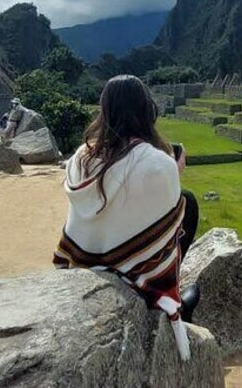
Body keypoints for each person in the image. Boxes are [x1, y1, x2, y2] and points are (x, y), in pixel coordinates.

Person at [53, 75, 199, 360]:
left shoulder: (81, 156)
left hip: (79, 261)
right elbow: (162, 223)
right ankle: (171, 297)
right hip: (131, 275)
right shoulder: (158, 163)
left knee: (184, 204)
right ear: (147, 110)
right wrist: (173, 168)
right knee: (187, 205)